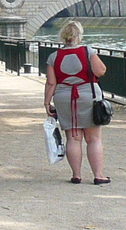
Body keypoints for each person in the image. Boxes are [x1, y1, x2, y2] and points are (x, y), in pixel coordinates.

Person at [43, 20, 109, 185]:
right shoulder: (88, 51)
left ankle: (76, 175)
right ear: (79, 35)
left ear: (63, 36)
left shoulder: (54, 57)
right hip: (89, 96)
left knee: (73, 138)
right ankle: (98, 175)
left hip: (64, 97)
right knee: (94, 139)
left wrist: (46, 103)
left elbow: (51, 82)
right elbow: (101, 71)